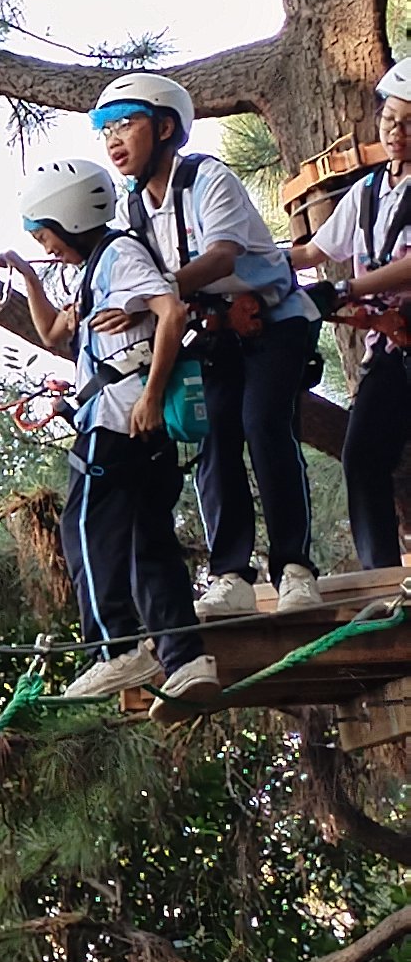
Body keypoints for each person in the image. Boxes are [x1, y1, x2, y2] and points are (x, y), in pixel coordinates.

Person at [90, 70, 322, 624]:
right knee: (214, 433)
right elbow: (134, 277)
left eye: (126, 123)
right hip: (213, 331)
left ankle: (295, 569)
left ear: (167, 127)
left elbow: (221, 257)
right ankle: (231, 575)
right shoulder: (133, 210)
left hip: (273, 320)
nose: (113, 139)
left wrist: (156, 294)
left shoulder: (207, 178)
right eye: (104, 129)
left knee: (263, 422)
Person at [5, 158, 215, 705]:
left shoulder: (119, 256)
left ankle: (114, 647)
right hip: (129, 417)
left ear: (71, 219)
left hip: (119, 417)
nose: (46, 246)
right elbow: (54, 333)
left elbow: (171, 314)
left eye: (46, 234)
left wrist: (149, 396)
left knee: (83, 530)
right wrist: (28, 279)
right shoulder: (94, 270)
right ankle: (187, 659)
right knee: (147, 539)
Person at [291, 58, 411, 572]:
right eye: (390, 121)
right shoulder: (366, 192)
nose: (398, 133)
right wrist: (242, 260)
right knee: (362, 456)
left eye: (410, 123)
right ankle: (382, 576)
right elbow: (314, 252)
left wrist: (348, 288)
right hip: (388, 355)